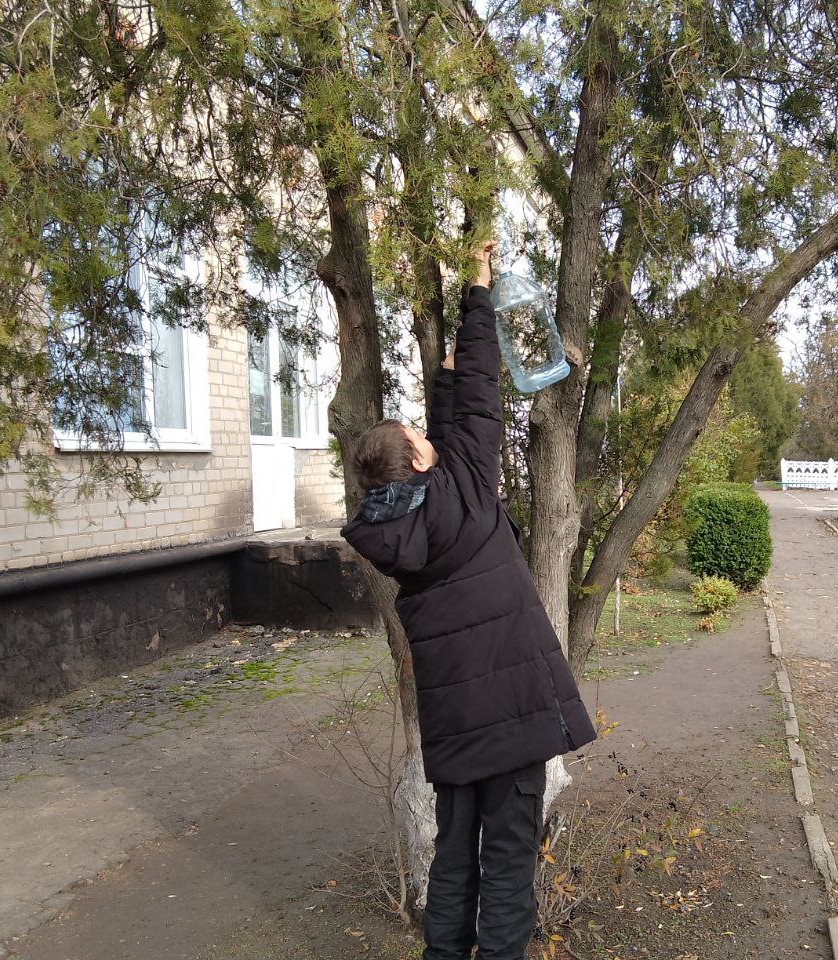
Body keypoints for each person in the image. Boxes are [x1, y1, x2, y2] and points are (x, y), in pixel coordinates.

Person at [341, 237, 597, 960]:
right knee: (509, 864)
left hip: (455, 730)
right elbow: (481, 394)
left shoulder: (395, 530)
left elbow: (459, 417)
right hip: (514, 717)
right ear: (421, 459)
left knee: (454, 861)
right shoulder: (470, 493)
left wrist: (448, 376)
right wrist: (477, 287)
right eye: (421, 436)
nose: (430, 436)